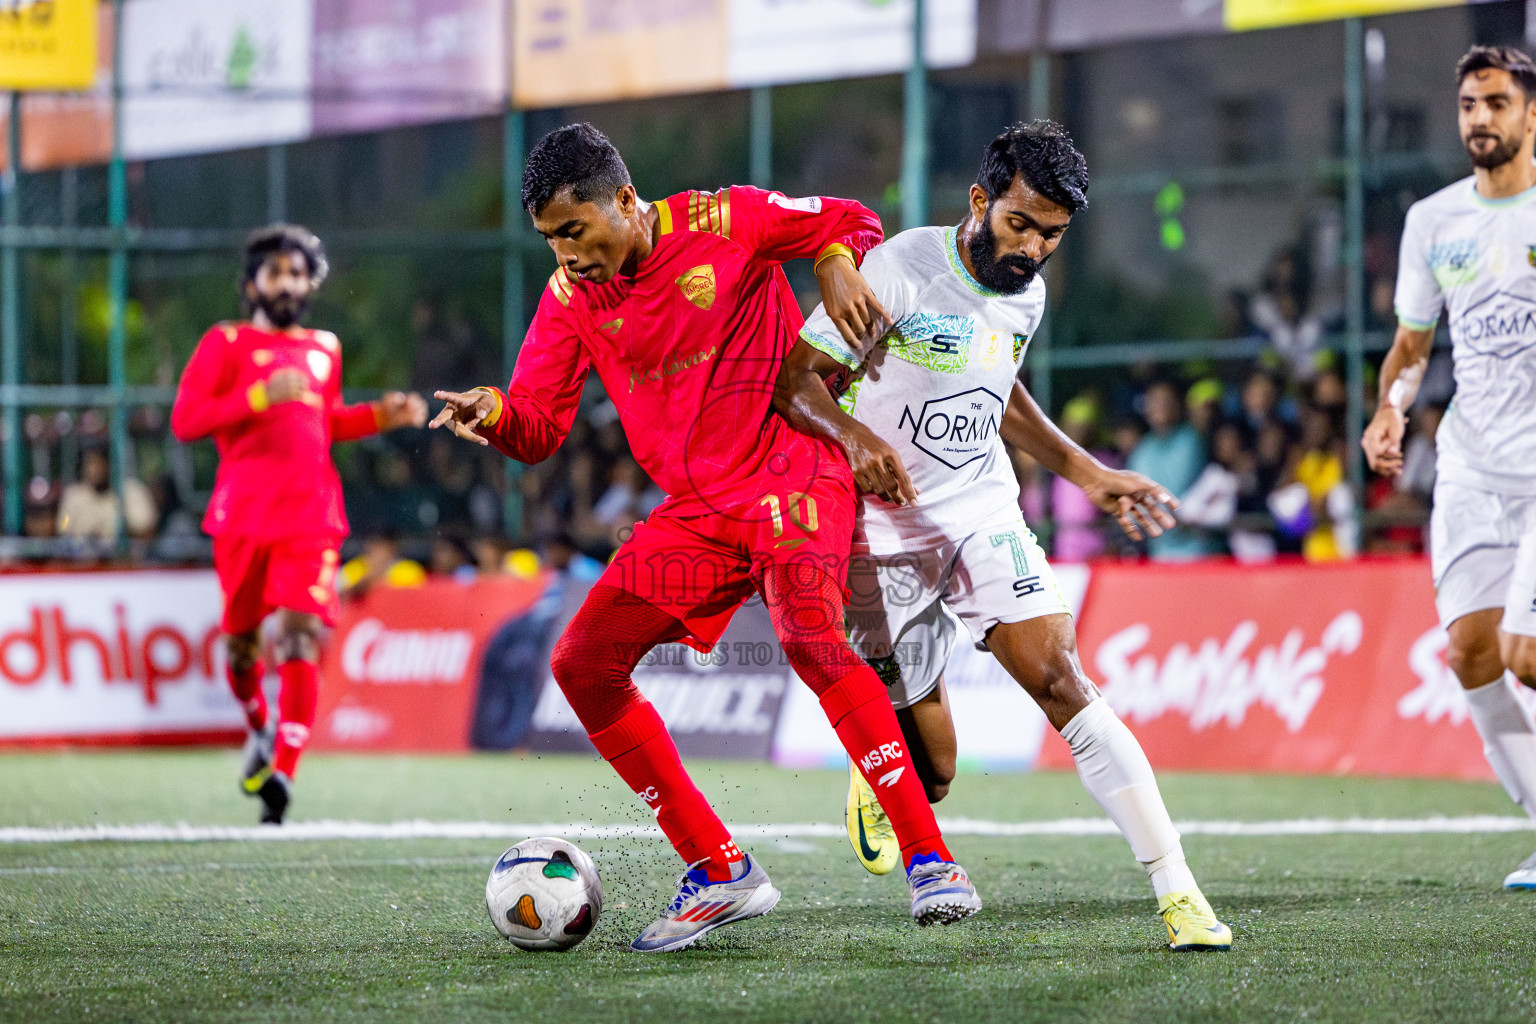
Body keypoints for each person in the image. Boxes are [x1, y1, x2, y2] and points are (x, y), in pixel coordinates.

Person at [430, 123, 979, 952]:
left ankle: (932, 862)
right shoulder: (570, 298)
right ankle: (720, 870)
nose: (567, 255)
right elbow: (541, 425)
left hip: (792, 472)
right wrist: (497, 413)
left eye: (575, 231)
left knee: (807, 636)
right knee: (583, 662)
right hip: (699, 511)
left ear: (624, 200)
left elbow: (851, 216)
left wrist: (832, 259)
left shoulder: (726, 221)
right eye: (550, 240)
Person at [774, 121, 1230, 952]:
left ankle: (1179, 893)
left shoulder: (1029, 291)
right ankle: (876, 751)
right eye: (1020, 224)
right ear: (981, 201)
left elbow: (999, 387)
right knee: (937, 773)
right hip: (882, 535)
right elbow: (794, 385)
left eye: (1052, 236)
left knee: (1061, 677)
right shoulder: (899, 270)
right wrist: (855, 441)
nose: (1033, 249)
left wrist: (1086, 471)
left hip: (982, 509)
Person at [170, 224, 426, 824]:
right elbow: (186, 421)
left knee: (301, 636)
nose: (287, 282)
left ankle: (284, 771)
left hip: (312, 515)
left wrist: (378, 417)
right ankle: (258, 728)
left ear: (311, 282)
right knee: (240, 650)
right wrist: (256, 398)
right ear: (252, 282)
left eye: (297, 272)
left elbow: (324, 422)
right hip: (241, 517)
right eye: (275, 271)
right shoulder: (224, 343)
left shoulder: (324, 347)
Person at [1363, 45, 1536, 889]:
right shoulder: (1434, 220)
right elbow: (1411, 345)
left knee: (1526, 652)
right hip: (1470, 465)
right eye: (1469, 103)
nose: (1480, 118)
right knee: (1472, 652)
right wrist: (1390, 409)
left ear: (1530, 115)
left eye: (1497, 103)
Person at [1129, 380, 1214, 560]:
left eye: (1166, 401)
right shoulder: (1143, 449)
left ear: (1177, 406)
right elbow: (1134, 499)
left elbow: (1172, 496)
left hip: (1197, 552)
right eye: (1154, 401)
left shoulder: (1191, 440)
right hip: (1158, 554)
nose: (1160, 406)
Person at [56, 445, 157, 544]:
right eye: (90, 463)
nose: (93, 470)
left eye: (98, 463)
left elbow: (146, 530)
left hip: (122, 558)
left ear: (110, 464)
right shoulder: (74, 495)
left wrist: (118, 538)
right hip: (80, 558)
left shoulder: (131, 491)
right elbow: (63, 527)